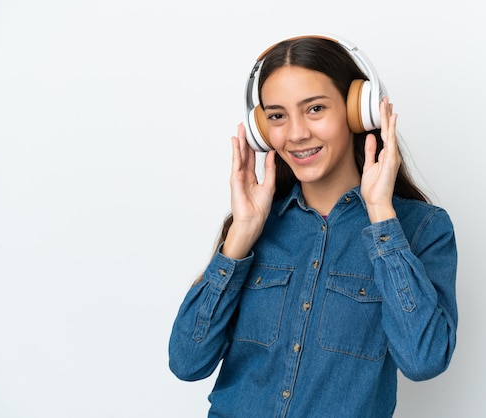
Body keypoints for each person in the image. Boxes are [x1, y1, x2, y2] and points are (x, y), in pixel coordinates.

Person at [168, 34, 458, 418]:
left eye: (315, 108)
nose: (296, 133)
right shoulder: (253, 227)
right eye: (277, 116)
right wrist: (239, 235)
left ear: (359, 112)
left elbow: (424, 360)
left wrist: (380, 215)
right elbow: (187, 362)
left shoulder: (421, 229)